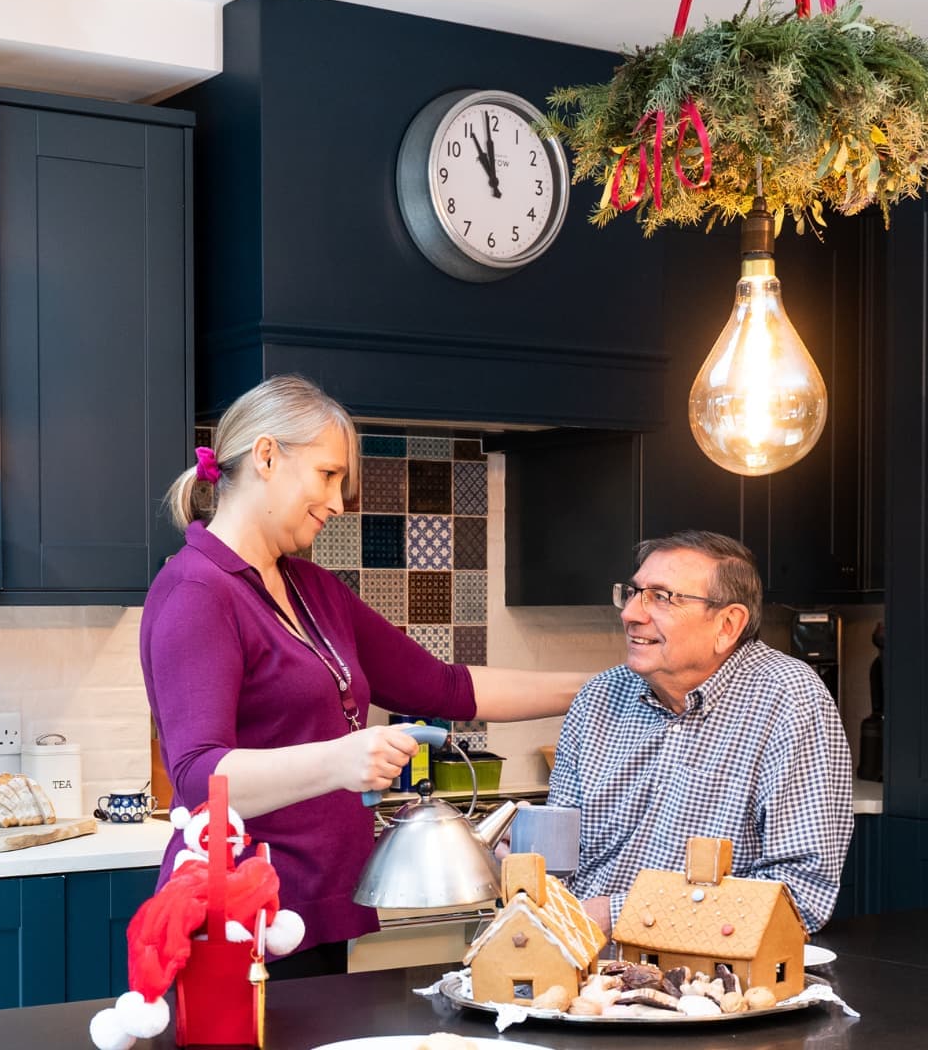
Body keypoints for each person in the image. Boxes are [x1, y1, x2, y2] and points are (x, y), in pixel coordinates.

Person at [141, 374, 592, 979]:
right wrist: (340, 760)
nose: (337, 501)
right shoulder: (199, 591)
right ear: (268, 456)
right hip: (237, 920)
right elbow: (199, 779)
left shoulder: (309, 587)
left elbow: (444, 688)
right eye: (328, 476)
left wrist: (605, 684)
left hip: (316, 905)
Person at [548, 530, 853, 937]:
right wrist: (523, 859)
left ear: (728, 624)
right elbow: (559, 864)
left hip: (708, 983)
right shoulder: (599, 697)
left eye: (661, 597)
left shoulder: (788, 699)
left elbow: (798, 896)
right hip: (580, 966)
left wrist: (617, 915)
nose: (630, 614)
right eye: (634, 592)